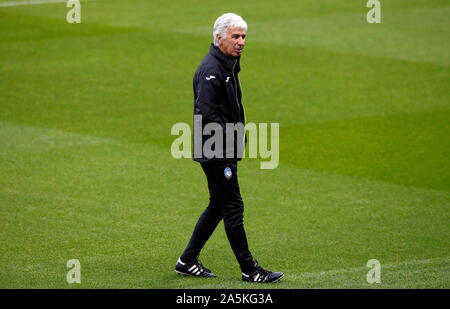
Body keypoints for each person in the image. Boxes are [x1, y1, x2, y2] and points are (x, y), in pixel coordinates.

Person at [175, 13, 283, 283]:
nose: (241, 42)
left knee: (218, 206)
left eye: (244, 36)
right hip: (215, 150)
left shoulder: (228, 64)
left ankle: (187, 260)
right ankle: (250, 269)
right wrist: (233, 137)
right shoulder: (212, 70)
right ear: (219, 37)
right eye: (235, 36)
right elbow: (207, 116)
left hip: (220, 147)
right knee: (233, 207)